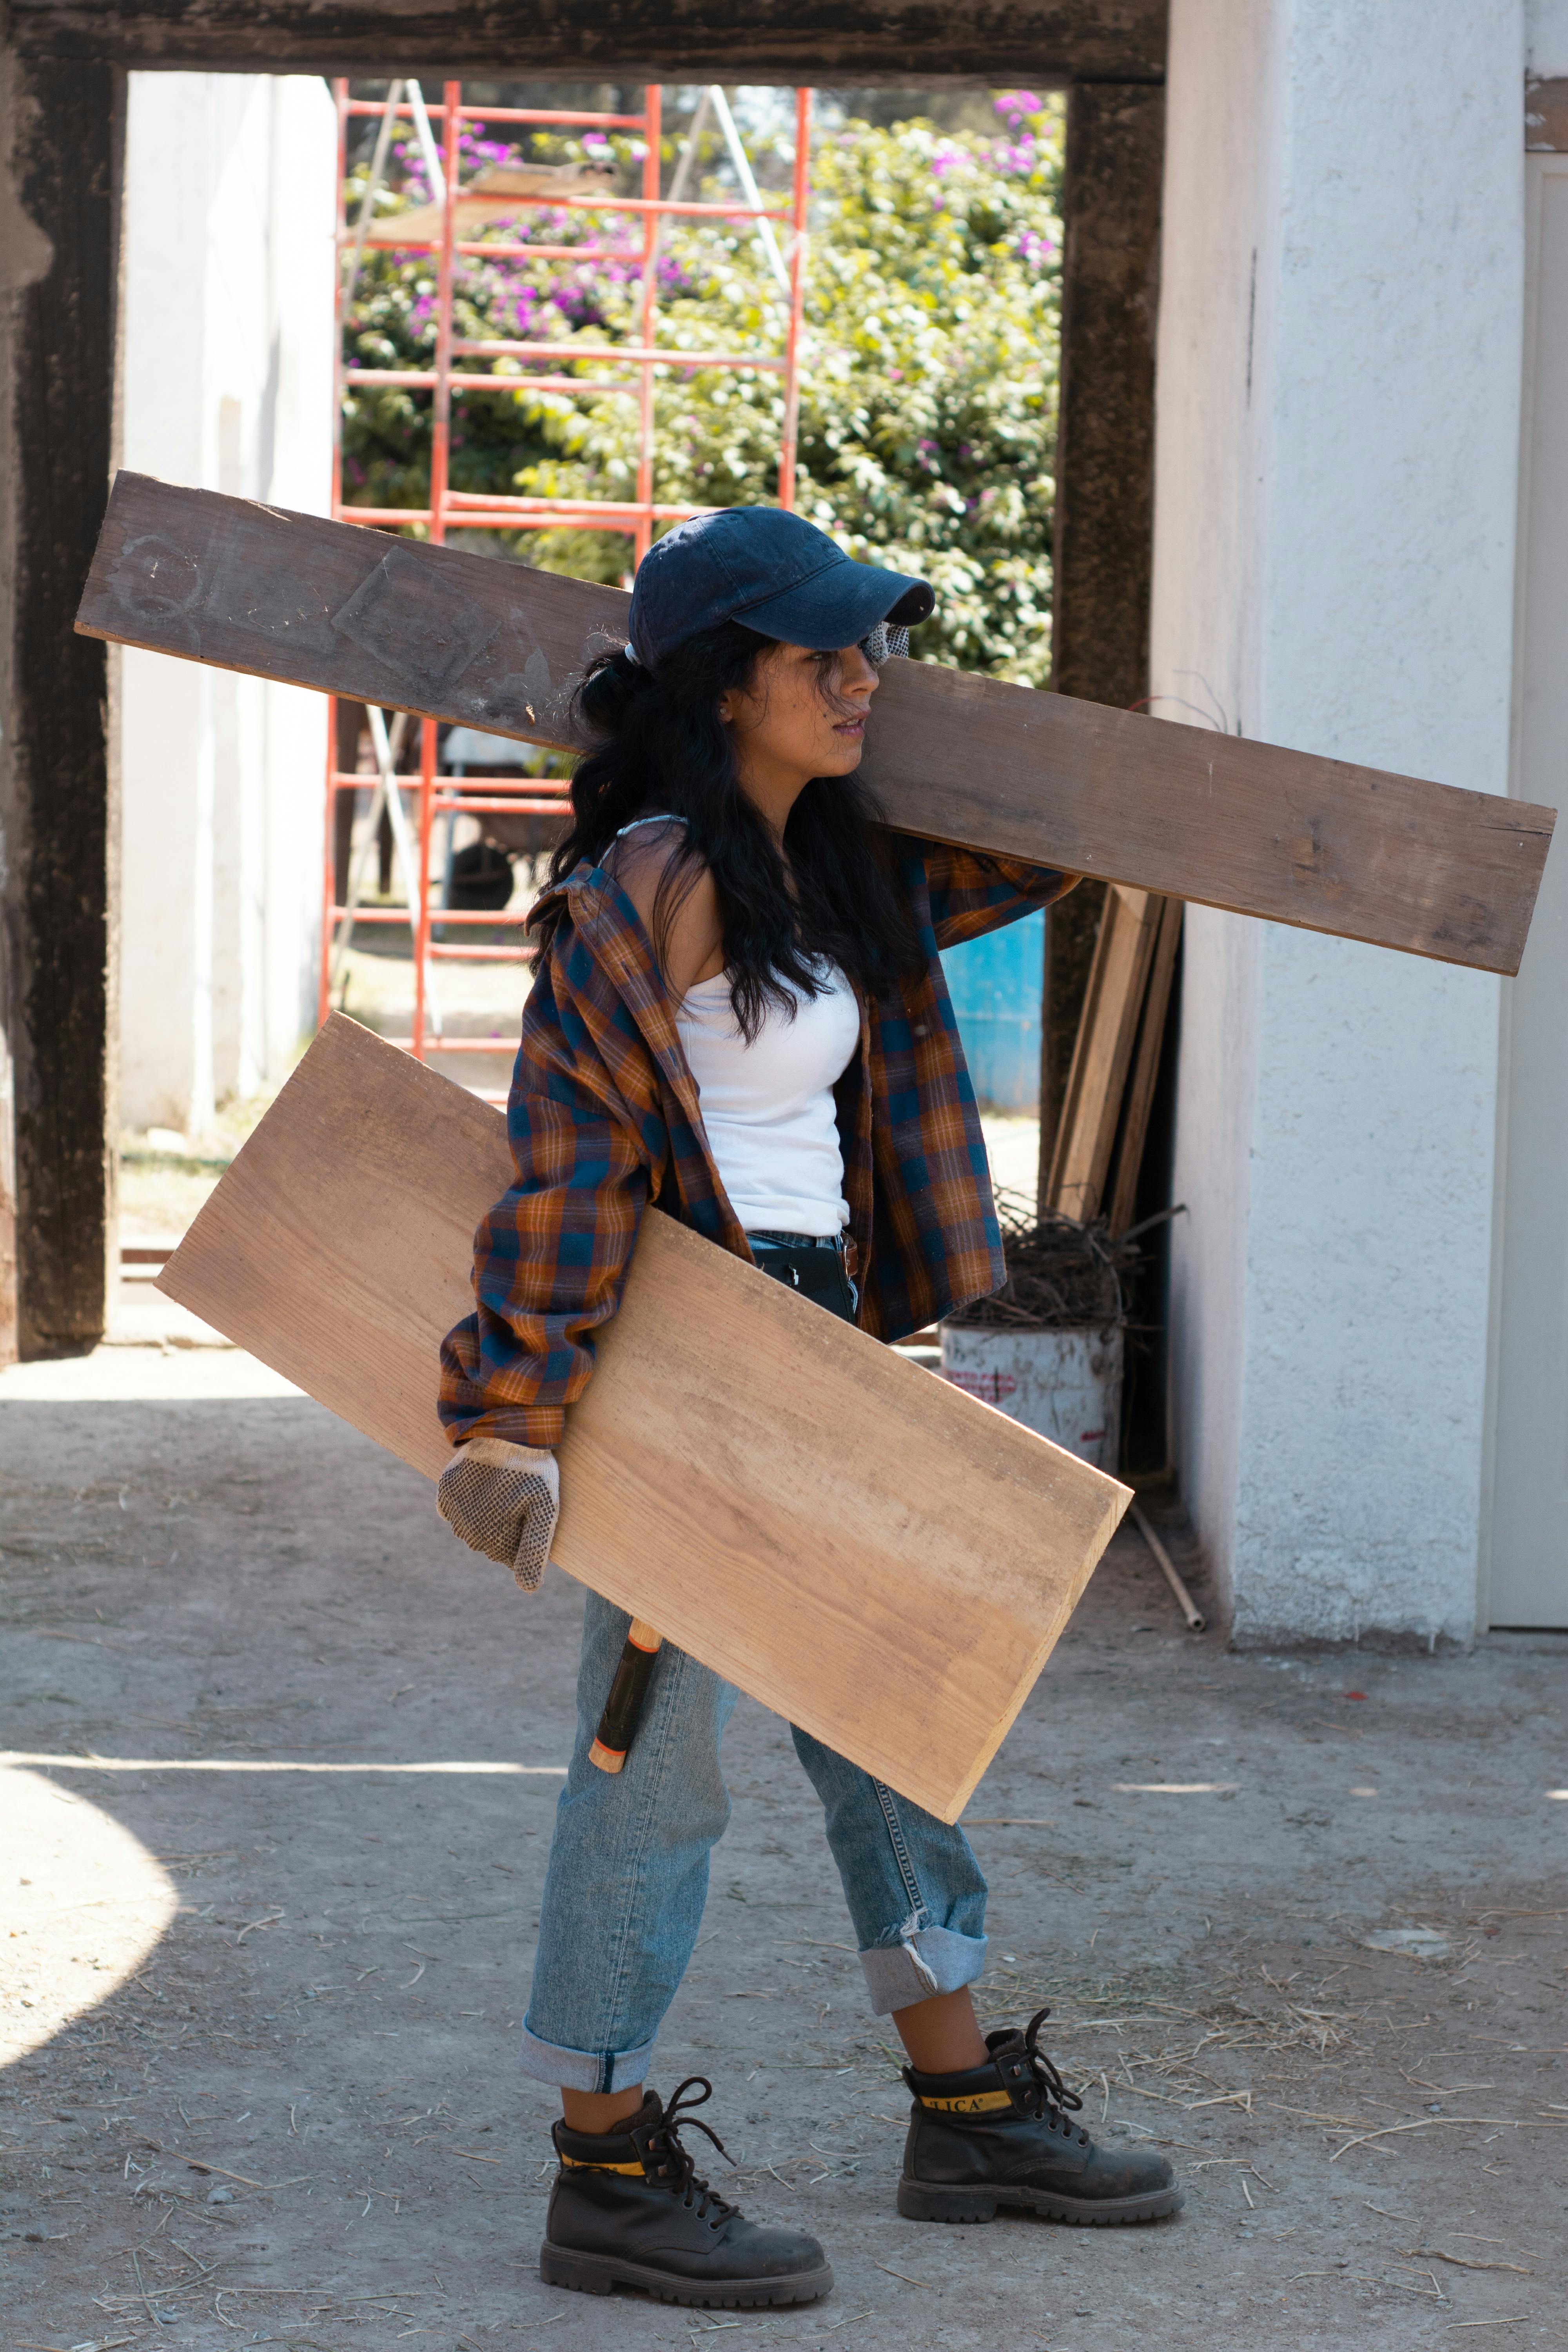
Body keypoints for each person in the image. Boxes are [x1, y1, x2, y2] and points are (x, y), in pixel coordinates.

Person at [435, 507, 1180, 2308]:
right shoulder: (647, 886)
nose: (862, 679)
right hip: (685, 1343)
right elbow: (569, 1163)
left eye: (871, 650)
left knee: (889, 1716)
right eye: (817, 654)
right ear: (720, 685)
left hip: (820, 1323)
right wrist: (515, 1418)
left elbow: (1043, 846)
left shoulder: (829, 874)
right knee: (652, 1756)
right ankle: (600, 2168)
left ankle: (966, 2103)